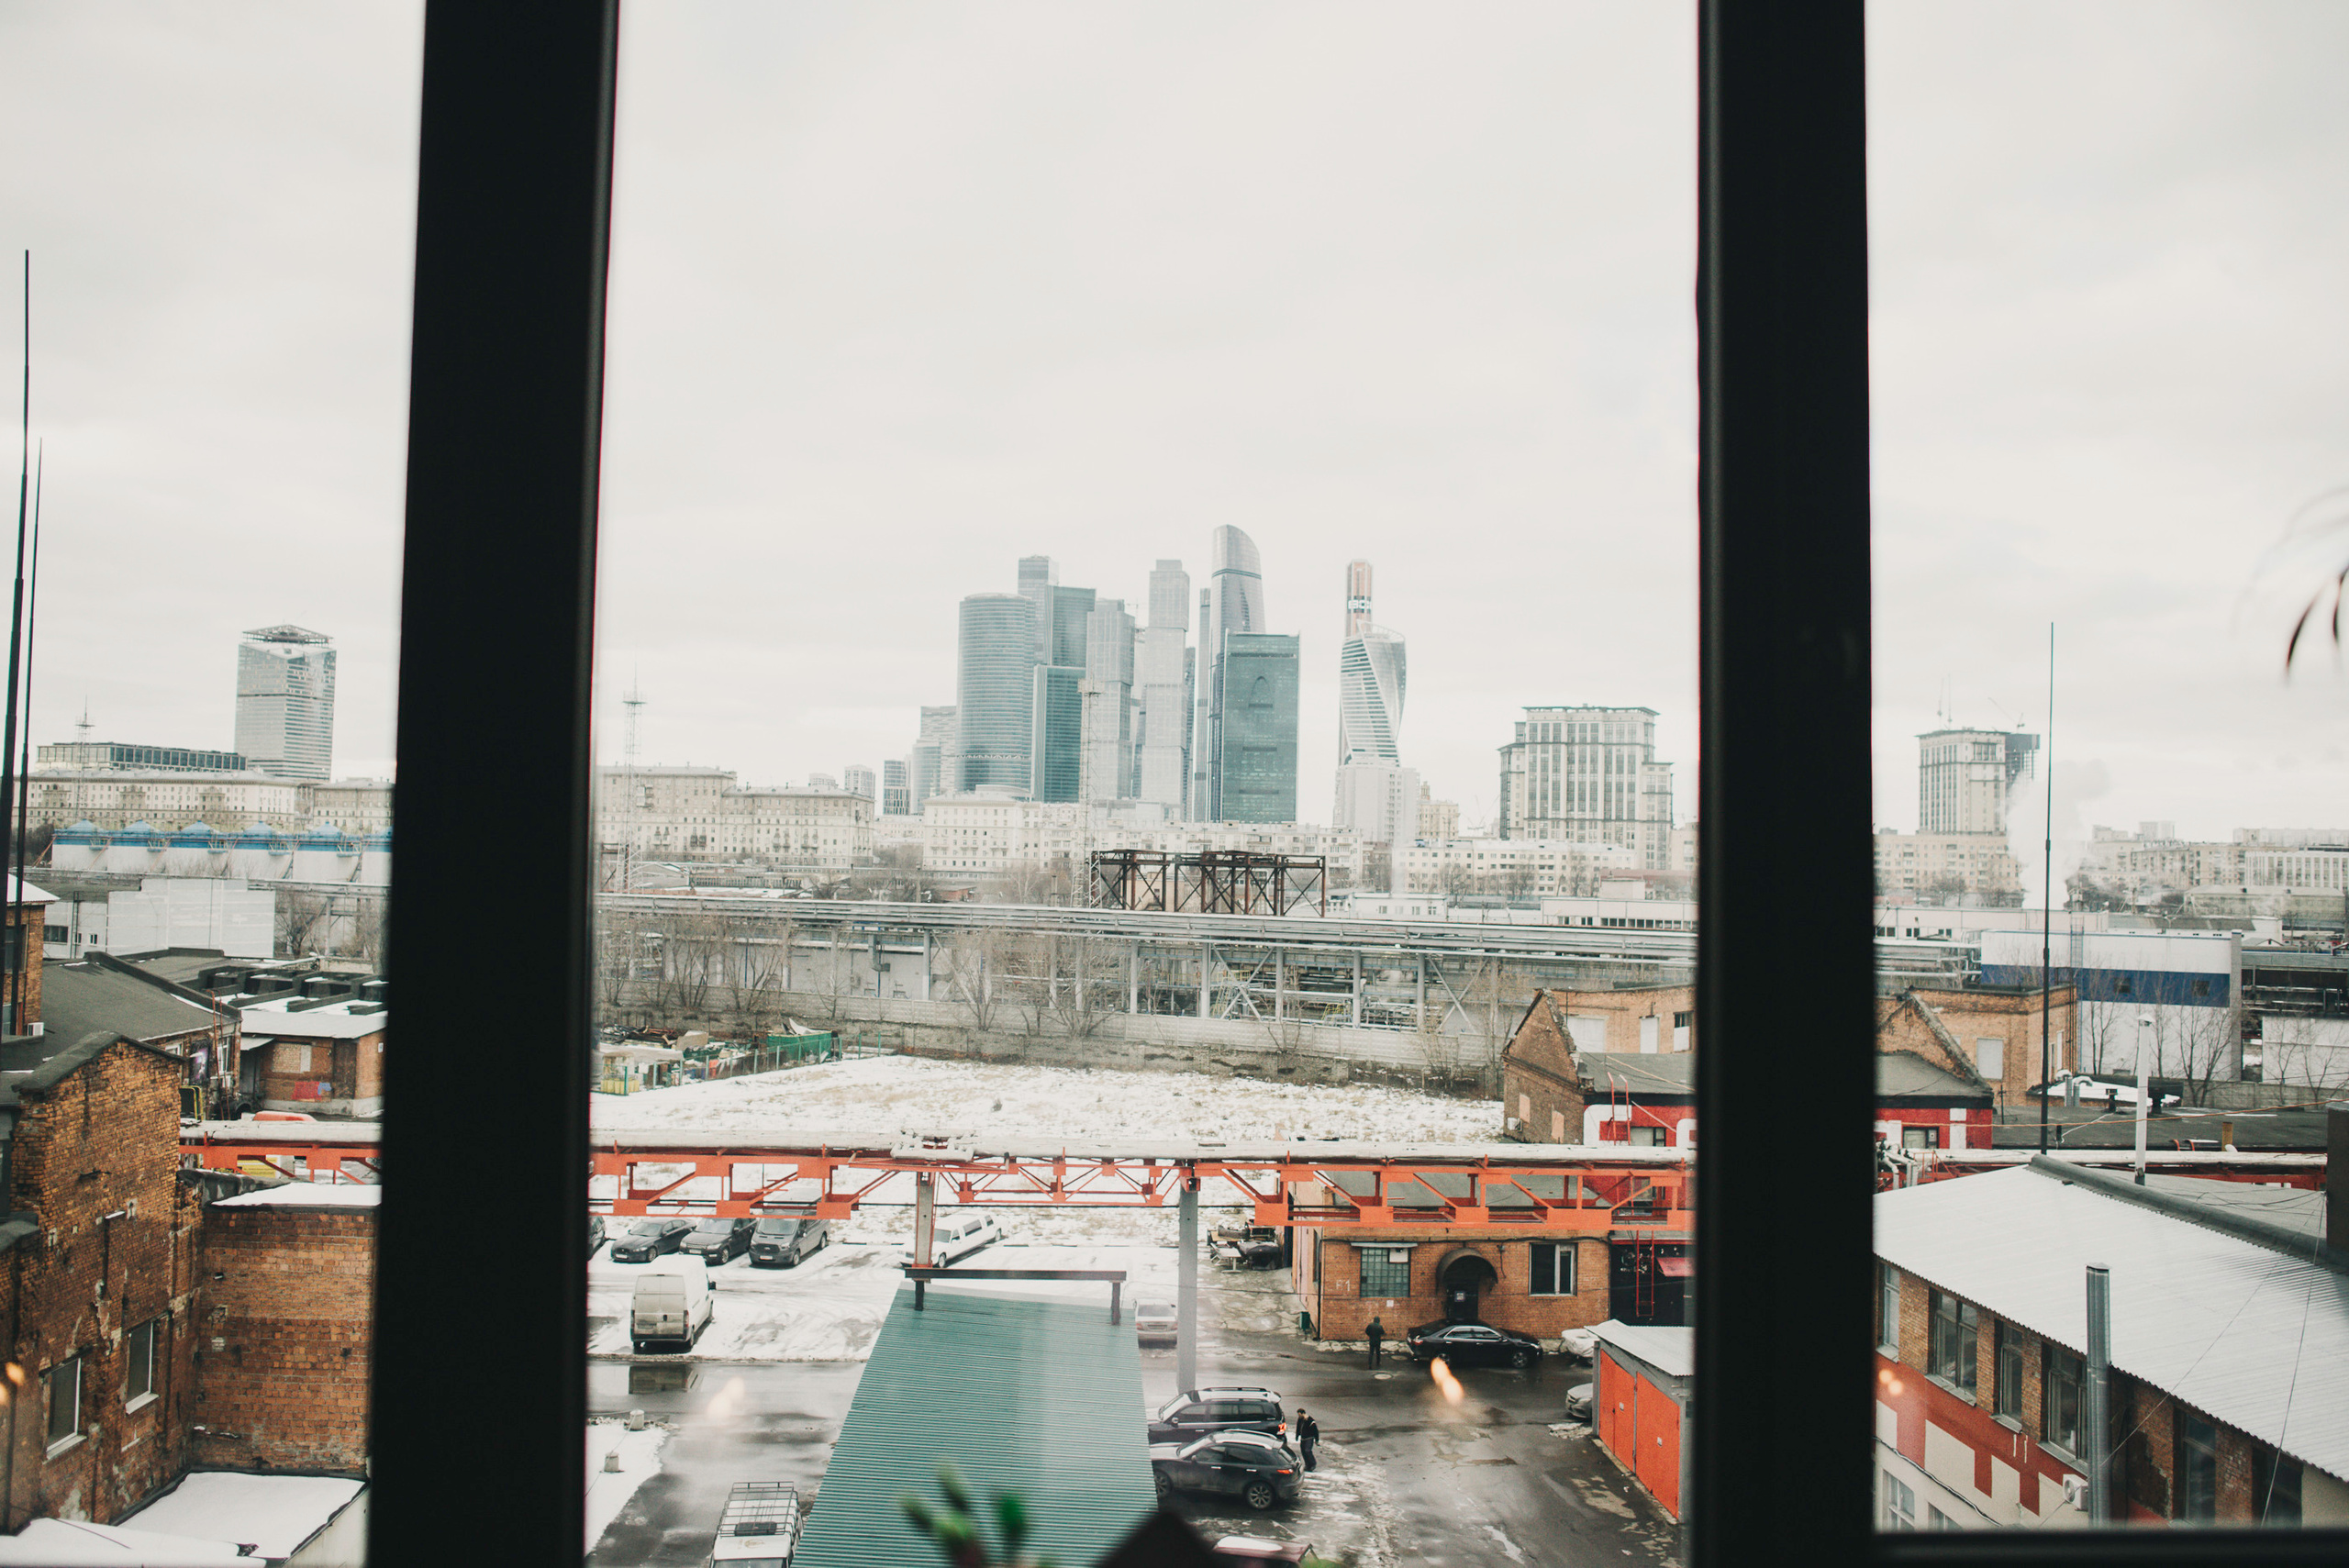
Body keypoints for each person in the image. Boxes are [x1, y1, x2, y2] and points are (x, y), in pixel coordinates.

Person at [1296, 1408, 1320, 1472]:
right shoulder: (1300, 1419)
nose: (1299, 1416)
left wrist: (1317, 1439)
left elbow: (1315, 1430)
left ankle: (1313, 1464)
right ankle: (1308, 1465)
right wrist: (1297, 1435)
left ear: (1303, 1413)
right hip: (1303, 1438)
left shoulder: (1310, 1420)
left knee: (1307, 1450)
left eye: (1299, 1414)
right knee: (1303, 1452)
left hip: (1309, 1438)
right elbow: (1298, 1428)